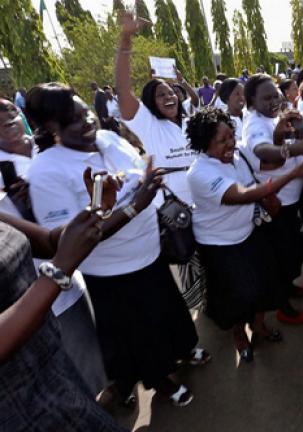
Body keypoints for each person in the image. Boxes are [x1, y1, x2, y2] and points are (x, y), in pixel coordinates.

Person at [25, 82, 206, 408]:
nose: (90, 122)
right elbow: (70, 240)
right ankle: (161, 380)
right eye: (77, 120)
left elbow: (138, 169)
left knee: (168, 312)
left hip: (150, 253)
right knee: (141, 334)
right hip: (114, 273)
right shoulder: (46, 171)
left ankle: (184, 349)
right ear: (53, 127)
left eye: (88, 113)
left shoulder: (107, 138)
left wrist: (147, 176)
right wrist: (135, 203)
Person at [0, 98, 108, 396]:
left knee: (91, 351)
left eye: (10, 108)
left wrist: (98, 206)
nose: (6, 116)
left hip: (73, 275)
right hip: (28, 293)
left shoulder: (50, 150)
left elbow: (57, 236)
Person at [186, 107, 303, 361]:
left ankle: (258, 325)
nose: (230, 143)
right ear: (204, 144)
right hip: (220, 245)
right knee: (236, 295)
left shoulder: (239, 154)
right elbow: (242, 195)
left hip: (250, 233)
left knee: (265, 283)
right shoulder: (199, 173)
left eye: (231, 136)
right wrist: (293, 174)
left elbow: (261, 171)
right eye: (222, 141)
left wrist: (281, 143)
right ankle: (239, 334)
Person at [0, 206, 127, 431]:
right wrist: (59, 270)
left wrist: (95, 211)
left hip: (54, 367)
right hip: (17, 407)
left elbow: (49, 241)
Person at [241, 73, 303, 325]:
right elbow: (262, 152)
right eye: (265, 98)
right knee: (281, 256)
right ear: (252, 102)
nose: (272, 101)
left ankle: (289, 286)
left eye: (275, 95)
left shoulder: (273, 117)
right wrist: (297, 148)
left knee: (294, 251)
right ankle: (283, 307)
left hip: (294, 199)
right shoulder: (254, 124)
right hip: (279, 204)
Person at [116, 13, 196, 206]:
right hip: (173, 209)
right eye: (161, 95)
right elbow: (124, 90)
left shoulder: (189, 123)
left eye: (171, 93)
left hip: (203, 204)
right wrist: (125, 39)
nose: (169, 97)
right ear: (151, 103)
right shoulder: (148, 125)